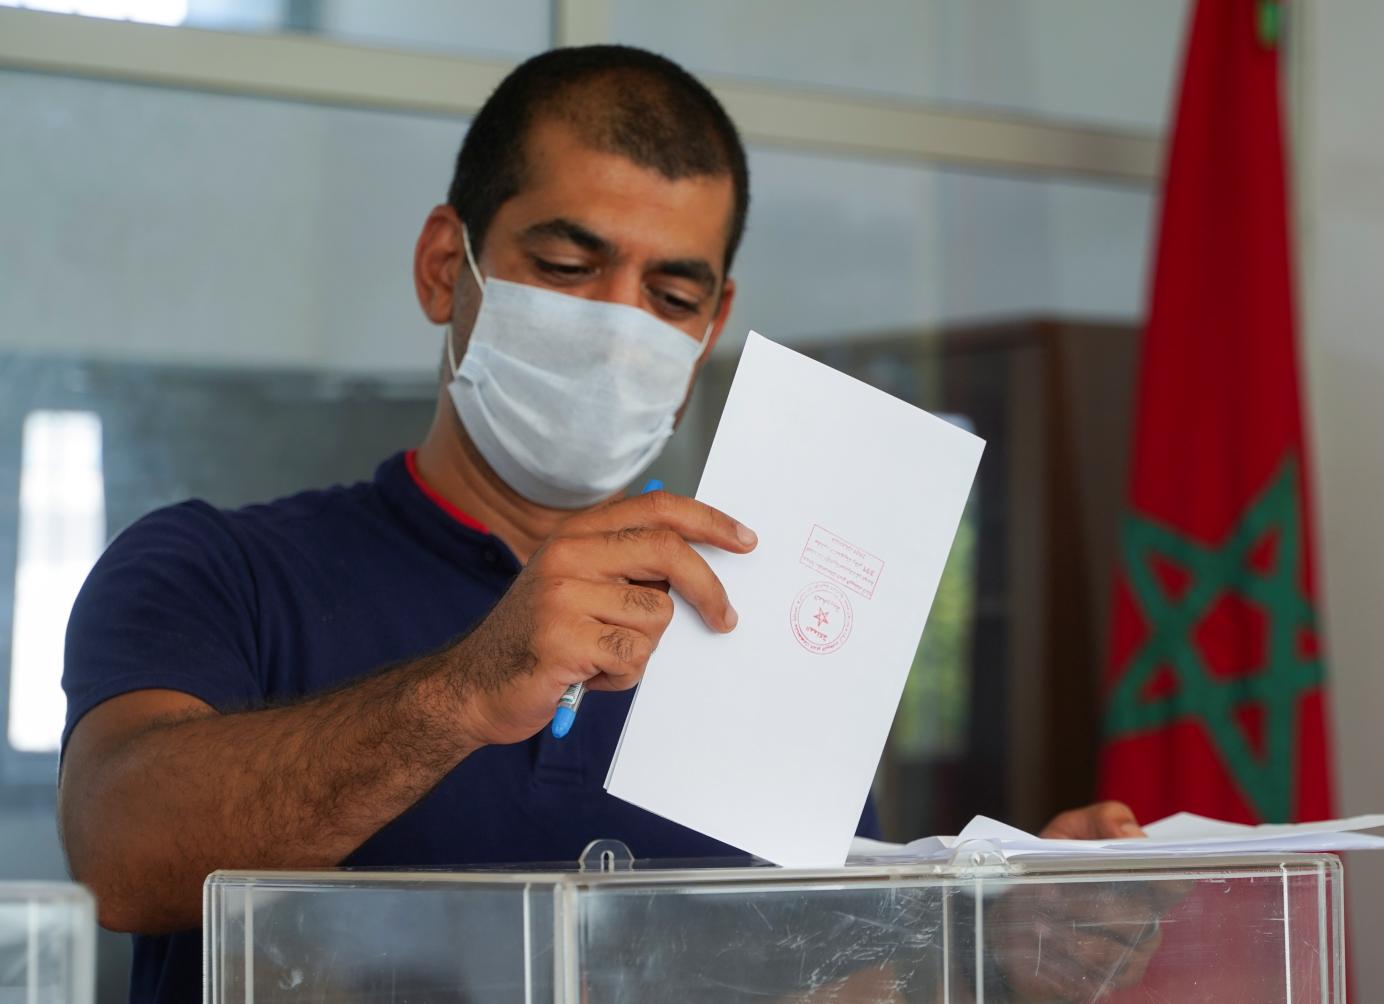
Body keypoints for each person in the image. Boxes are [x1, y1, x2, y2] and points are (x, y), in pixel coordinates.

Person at [56, 45, 1146, 1003]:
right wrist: (466, 687)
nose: (618, 324)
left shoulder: (758, 619)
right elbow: (123, 854)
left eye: (672, 295)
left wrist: (992, 939)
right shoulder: (215, 569)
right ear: (450, 266)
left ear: (715, 320)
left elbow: (840, 971)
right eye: (568, 265)